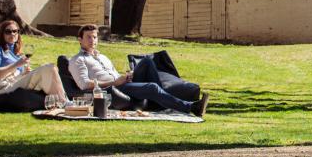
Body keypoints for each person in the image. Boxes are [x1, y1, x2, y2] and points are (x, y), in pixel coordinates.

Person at [68, 24, 209, 116]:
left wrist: (126, 76)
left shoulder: (103, 57)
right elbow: (84, 84)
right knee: (152, 87)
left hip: (122, 83)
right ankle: (191, 107)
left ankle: (159, 101)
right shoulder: (77, 60)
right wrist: (115, 82)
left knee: (146, 62)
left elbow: (115, 74)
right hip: (111, 89)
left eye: (94, 37)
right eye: (88, 37)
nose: (92, 40)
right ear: (79, 39)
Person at [0, 20, 68, 107]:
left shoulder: (17, 54)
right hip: (3, 87)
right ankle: (64, 103)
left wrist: (25, 73)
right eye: (8, 32)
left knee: (52, 69)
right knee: (48, 68)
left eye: (15, 31)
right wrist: (16, 65)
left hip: (15, 83)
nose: (12, 34)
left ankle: (64, 102)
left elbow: (18, 75)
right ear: (2, 34)